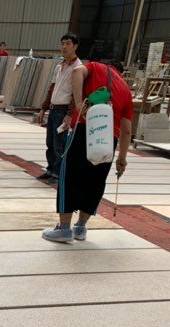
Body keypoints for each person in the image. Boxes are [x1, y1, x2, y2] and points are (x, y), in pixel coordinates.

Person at [42, 60, 133, 243]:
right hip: (109, 139)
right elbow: (127, 130)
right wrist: (122, 158)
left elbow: (77, 72)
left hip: (84, 130)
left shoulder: (96, 67)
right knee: (95, 182)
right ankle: (80, 227)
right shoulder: (126, 90)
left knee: (70, 177)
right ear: (121, 73)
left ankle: (64, 229)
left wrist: (78, 103)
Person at [36, 33, 82, 184]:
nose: (64, 47)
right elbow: (52, 88)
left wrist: (69, 114)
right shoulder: (59, 66)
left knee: (59, 145)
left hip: (63, 111)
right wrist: (43, 108)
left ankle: (57, 173)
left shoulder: (77, 68)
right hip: (53, 109)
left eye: (68, 43)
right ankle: (50, 169)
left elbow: (76, 94)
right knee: (50, 143)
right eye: (62, 44)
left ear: (75, 46)